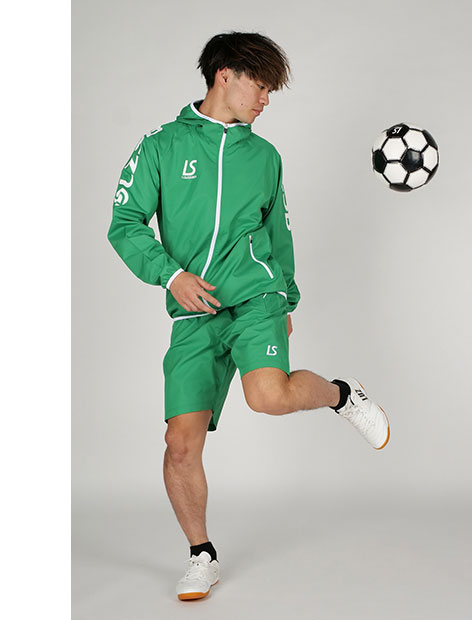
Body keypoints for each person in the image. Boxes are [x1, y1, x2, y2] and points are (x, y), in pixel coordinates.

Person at [107, 31, 390, 602]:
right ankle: (201, 555)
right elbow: (125, 224)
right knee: (180, 443)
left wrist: (287, 298)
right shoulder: (160, 146)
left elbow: (278, 232)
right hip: (193, 309)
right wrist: (172, 276)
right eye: (260, 86)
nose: (265, 100)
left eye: (270, 91)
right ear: (225, 75)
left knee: (268, 396)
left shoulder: (264, 157)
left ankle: (342, 395)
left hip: (257, 297)